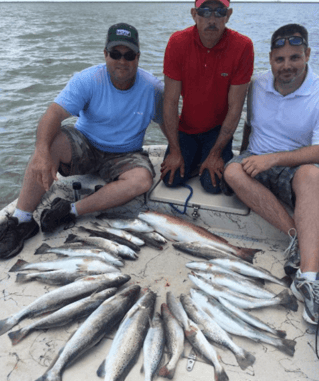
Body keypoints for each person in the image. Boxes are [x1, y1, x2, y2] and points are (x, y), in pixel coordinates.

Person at [0, 23, 164, 259]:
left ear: (138, 57)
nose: (122, 61)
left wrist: (178, 153)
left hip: (126, 153)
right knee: (50, 143)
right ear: (105, 54)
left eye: (129, 55)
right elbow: (53, 114)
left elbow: (168, 124)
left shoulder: (153, 89)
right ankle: (22, 219)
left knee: (142, 180)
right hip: (86, 144)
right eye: (115, 54)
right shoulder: (88, 79)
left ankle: (70, 210)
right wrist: (41, 152)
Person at [224, 24, 319, 325]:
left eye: (294, 57)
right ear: (270, 60)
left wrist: (273, 159)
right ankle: (296, 237)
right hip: (256, 158)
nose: (287, 66)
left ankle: (309, 276)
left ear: (307, 54)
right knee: (232, 172)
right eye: (280, 59)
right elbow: (250, 127)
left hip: (295, 166)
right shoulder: (257, 86)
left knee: (311, 177)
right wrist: (244, 155)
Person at [160, 0, 254, 194]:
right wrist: (175, 151)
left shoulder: (243, 46)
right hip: (186, 128)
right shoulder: (177, 42)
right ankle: (191, 156)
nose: (212, 19)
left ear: (228, 15)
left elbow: (236, 107)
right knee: (171, 179)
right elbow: (170, 102)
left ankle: (202, 157)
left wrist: (216, 153)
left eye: (219, 12)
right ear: (194, 14)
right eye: (205, 11)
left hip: (217, 131)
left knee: (213, 186)